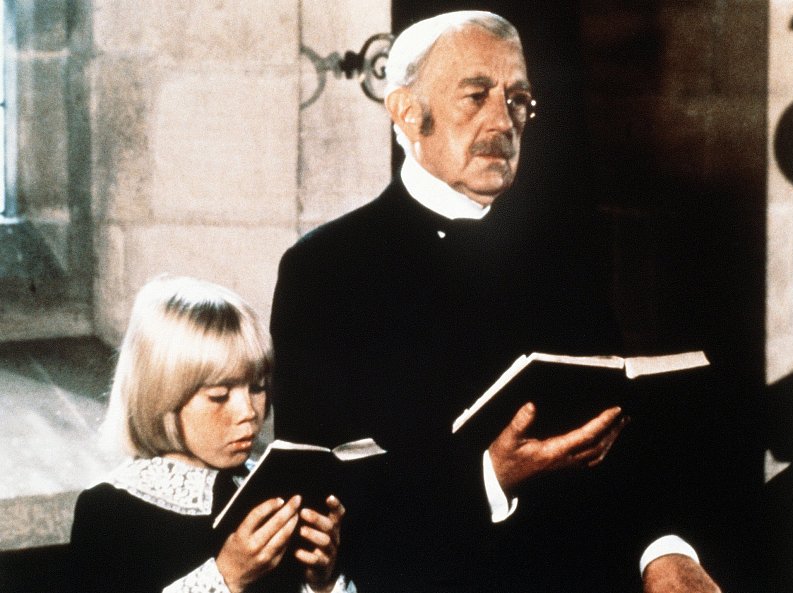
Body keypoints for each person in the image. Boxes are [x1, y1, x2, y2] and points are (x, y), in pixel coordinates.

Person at [271, 11, 726, 593]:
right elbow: (321, 491)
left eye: (518, 100)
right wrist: (490, 475)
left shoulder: (565, 255)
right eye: (476, 96)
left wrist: (665, 552)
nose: (503, 121)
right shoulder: (326, 269)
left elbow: (618, 435)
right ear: (407, 112)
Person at [70, 275, 355, 593]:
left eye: (258, 388)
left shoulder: (271, 488)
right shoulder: (108, 511)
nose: (248, 411)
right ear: (162, 397)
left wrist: (322, 582)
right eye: (220, 395)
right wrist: (227, 578)